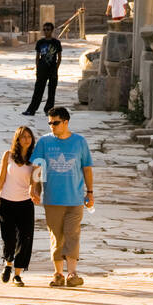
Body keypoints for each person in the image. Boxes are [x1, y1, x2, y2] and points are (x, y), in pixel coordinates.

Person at [30, 106, 94, 289]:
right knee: (56, 237)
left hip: (75, 198)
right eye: (50, 123)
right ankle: (58, 273)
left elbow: (87, 168)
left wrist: (90, 192)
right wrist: (34, 188)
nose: (52, 126)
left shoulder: (80, 142)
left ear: (66, 122)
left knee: (73, 235)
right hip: (52, 198)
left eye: (55, 123)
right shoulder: (44, 142)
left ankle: (72, 273)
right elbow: (37, 167)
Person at [0, 126, 37, 287]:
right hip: (6, 202)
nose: (27, 139)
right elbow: (1, 178)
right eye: (23, 137)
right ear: (17, 139)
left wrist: (34, 191)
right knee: (9, 238)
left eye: (29, 136)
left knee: (25, 239)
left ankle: (17, 274)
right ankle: (8, 263)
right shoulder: (7, 156)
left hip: (25, 204)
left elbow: (36, 179)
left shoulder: (36, 159)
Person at [23, 22, 62, 116]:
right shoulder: (40, 42)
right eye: (44, 29)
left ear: (52, 30)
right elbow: (37, 57)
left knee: (51, 91)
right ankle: (31, 109)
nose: (46, 31)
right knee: (38, 90)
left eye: (48, 29)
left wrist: (55, 68)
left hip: (52, 69)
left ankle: (49, 110)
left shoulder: (56, 42)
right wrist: (38, 68)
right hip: (42, 69)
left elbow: (59, 57)